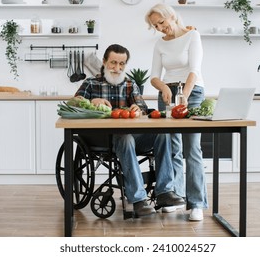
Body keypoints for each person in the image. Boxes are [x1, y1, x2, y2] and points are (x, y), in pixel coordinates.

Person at [74, 43, 185, 217]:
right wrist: (91, 102)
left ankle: (164, 192)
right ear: (104, 62)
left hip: (132, 139)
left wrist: (136, 109)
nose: (117, 68)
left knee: (162, 135)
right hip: (101, 140)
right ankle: (139, 200)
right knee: (124, 138)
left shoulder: (129, 84)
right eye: (113, 63)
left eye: (122, 64)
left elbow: (142, 107)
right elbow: (74, 103)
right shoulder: (90, 83)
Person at [145, 3, 208, 221]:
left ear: (172, 16)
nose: (160, 28)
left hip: (192, 91)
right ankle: (176, 196)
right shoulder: (159, 44)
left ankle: (196, 203)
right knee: (173, 147)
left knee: (192, 148)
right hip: (167, 94)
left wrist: (185, 97)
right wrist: (163, 88)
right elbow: (154, 75)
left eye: (161, 22)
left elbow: (194, 70)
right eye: (156, 25)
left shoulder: (193, 36)